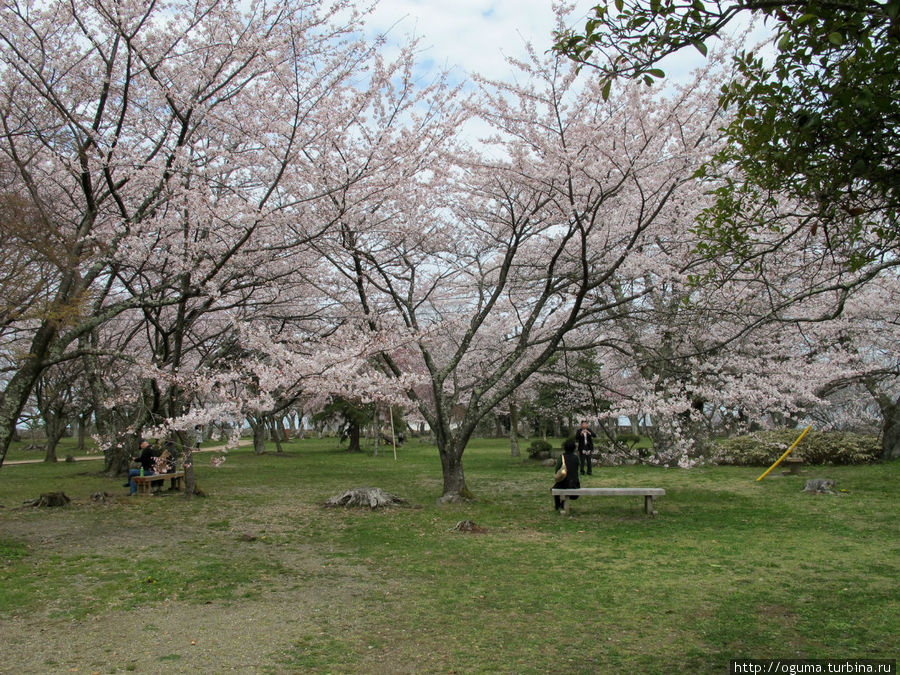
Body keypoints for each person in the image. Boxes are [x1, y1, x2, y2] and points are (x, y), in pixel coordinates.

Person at [552, 439, 581, 511]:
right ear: (574, 448)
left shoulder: (561, 457)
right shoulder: (576, 458)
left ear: (564, 447)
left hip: (564, 483)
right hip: (575, 484)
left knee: (554, 488)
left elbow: (557, 470)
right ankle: (562, 504)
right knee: (564, 488)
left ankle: (558, 506)